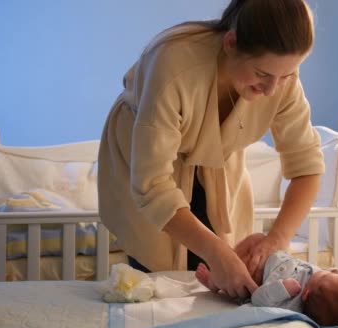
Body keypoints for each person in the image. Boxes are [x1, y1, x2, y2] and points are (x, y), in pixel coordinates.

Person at [97, 0, 324, 301]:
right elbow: (152, 187)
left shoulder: (282, 83)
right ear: (230, 42)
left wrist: (277, 239)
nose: (272, 90)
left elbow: (306, 167)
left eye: (286, 75)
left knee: (222, 277)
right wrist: (215, 251)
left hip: (215, 164)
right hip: (149, 166)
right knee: (160, 273)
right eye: (263, 74)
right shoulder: (172, 65)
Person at [195, 248, 338, 327]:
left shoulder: (290, 302)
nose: (325, 271)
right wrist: (336, 275)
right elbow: (336, 288)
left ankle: (214, 282)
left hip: (258, 279)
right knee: (255, 241)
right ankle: (221, 265)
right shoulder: (317, 284)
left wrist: (281, 288)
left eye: (325, 274)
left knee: (239, 275)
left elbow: (258, 300)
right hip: (273, 258)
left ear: (306, 294)